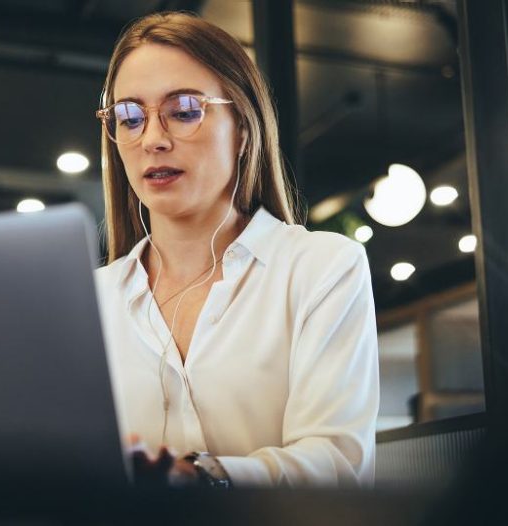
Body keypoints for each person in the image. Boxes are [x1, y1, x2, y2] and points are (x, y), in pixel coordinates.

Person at [93, 12, 379, 489]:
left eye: (184, 110)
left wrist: (203, 475)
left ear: (243, 129)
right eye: (129, 117)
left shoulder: (320, 268)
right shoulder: (90, 299)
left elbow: (337, 463)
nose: (153, 140)